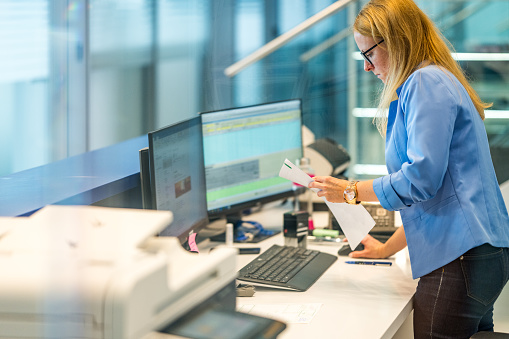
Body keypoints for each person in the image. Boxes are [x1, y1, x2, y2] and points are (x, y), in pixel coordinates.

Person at [308, 0, 509, 337]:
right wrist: (387, 248)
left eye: (368, 54)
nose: (367, 68)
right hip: (479, 256)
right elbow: (441, 200)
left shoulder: (424, 83)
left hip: (461, 262)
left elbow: (420, 180)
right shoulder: (438, 79)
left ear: (394, 40)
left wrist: (350, 191)